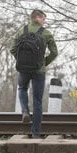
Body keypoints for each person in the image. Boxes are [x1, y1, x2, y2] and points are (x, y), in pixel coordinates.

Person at [10, 9, 58, 138]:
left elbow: (13, 49)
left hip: (23, 69)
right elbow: (54, 53)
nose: (44, 21)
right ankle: (36, 133)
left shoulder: (22, 31)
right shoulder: (46, 33)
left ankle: (25, 111)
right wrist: (43, 63)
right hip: (38, 71)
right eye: (43, 19)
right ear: (38, 18)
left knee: (22, 89)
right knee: (37, 101)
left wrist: (21, 61)